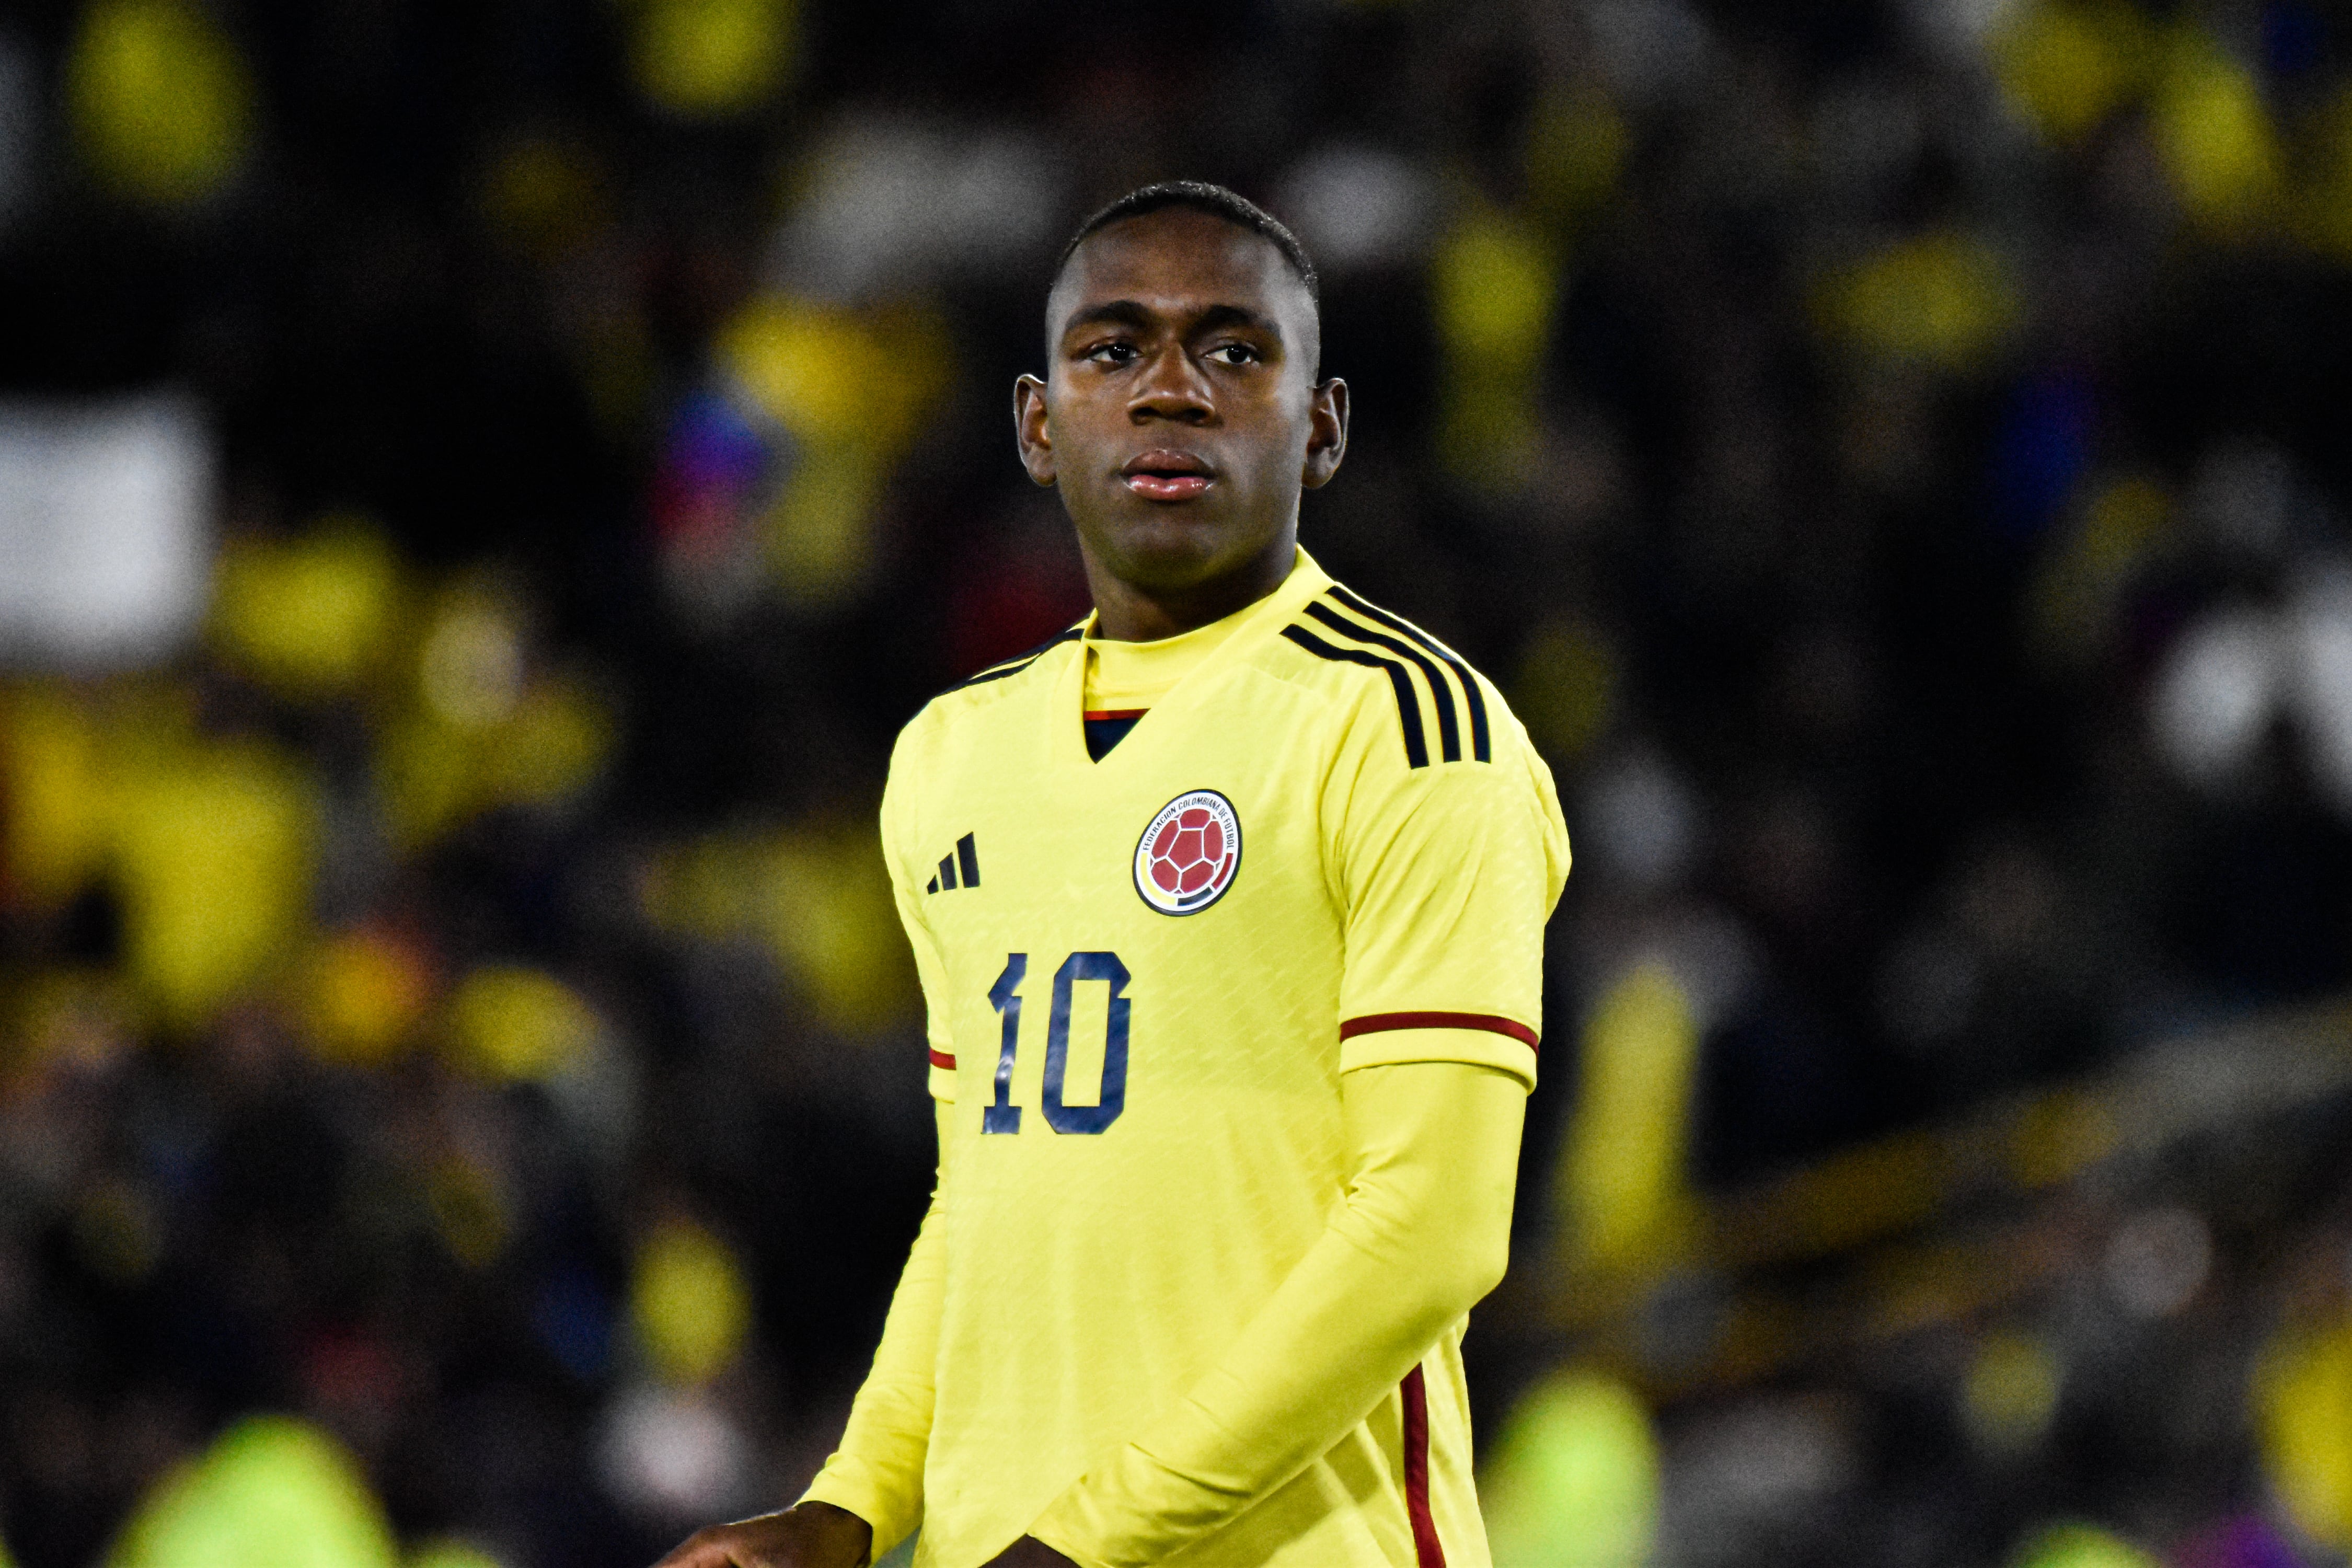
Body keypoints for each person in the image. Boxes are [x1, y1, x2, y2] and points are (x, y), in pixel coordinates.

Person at [653, 181, 1570, 1568]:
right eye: (1113, 349)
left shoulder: (1408, 733)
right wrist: (851, 1505)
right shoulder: (952, 759)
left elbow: (1430, 1233)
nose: (1169, 392)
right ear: (1038, 424)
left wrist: (1091, 1538)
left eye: (1235, 350)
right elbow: (985, 1199)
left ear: (1319, 428)